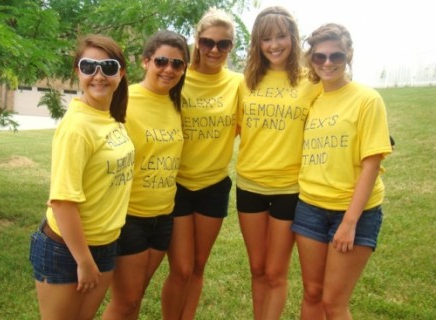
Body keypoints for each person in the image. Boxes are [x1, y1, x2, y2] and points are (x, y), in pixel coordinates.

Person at [28, 34, 134, 319]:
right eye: (89, 67)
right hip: (68, 251)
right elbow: (62, 202)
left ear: (121, 73)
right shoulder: (76, 127)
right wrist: (84, 261)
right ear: (78, 71)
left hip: (105, 244)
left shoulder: (111, 117)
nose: (98, 75)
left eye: (109, 67)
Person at [291, 23, 393, 319]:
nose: (327, 63)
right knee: (311, 293)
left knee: (333, 304)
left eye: (336, 56)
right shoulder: (312, 100)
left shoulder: (367, 99)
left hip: (353, 213)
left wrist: (349, 222)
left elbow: (372, 163)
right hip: (310, 208)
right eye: (320, 57)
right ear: (311, 59)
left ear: (348, 54)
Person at [236, 6, 322, 319]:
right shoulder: (244, 83)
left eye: (281, 36)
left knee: (275, 272)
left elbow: (337, 114)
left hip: (289, 188)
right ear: (257, 43)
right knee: (257, 269)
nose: (274, 44)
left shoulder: (311, 81)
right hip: (249, 186)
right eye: (266, 38)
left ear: (293, 38)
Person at [161, 8, 244, 320]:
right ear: (196, 41)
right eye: (207, 42)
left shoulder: (238, 84)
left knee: (197, 267)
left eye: (223, 45)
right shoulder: (178, 76)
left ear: (231, 47)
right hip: (177, 184)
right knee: (181, 269)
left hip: (214, 186)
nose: (214, 50)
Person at [102, 30, 190, 320]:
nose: (169, 69)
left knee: (136, 296)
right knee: (125, 300)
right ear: (145, 61)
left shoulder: (176, 104)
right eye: (162, 61)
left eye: (177, 64)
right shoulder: (123, 99)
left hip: (163, 215)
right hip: (129, 215)